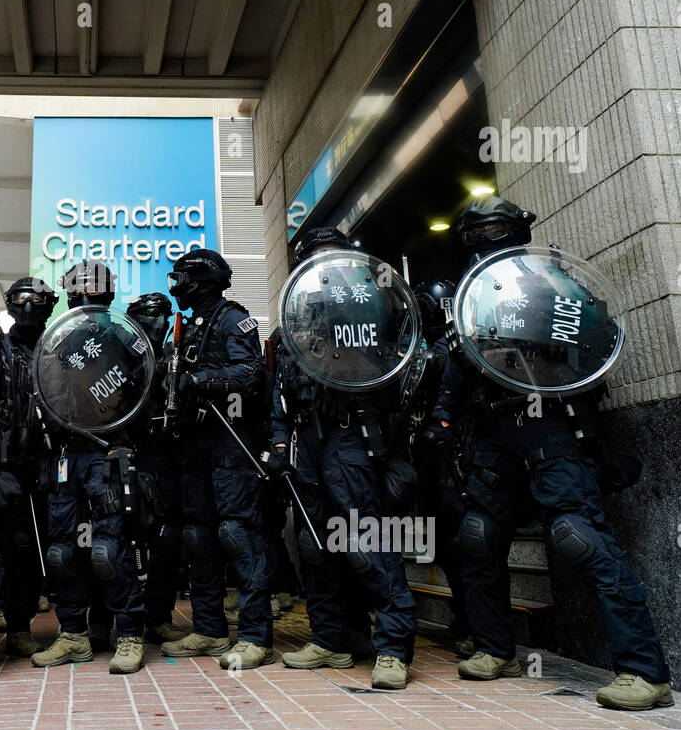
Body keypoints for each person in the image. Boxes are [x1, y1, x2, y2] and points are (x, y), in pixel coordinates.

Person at [435, 197, 672, 710]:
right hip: (496, 426)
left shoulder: (555, 281)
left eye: (495, 229)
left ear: (518, 230)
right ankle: (497, 650)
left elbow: (596, 338)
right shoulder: (469, 295)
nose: (485, 240)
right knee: (478, 537)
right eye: (475, 233)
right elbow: (458, 361)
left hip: (553, 423)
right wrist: (441, 415)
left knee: (578, 537)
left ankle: (644, 672)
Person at [268, 228, 417, 688]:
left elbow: (402, 369)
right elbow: (280, 394)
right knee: (315, 546)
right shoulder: (292, 326)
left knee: (365, 542)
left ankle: (393, 649)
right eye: (314, 260)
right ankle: (331, 639)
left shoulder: (376, 313)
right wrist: (277, 444)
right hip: (307, 442)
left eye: (331, 258)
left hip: (352, 437)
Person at [160, 249, 275, 670]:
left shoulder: (232, 319)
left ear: (202, 280)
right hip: (194, 444)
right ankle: (208, 630)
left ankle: (255, 636)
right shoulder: (187, 326)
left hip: (230, 441)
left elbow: (251, 373)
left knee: (237, 534)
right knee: (198, 537)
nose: (177, 287)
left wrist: (201, 381)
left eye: (182, 278)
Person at [32, 261, 148, 675]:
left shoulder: (126, 337)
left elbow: (142, 395)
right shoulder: (56, 341)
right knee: (62, 552)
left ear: (108, 294)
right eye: (78, 289)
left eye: (92, 289)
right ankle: (73, 635)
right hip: (66, 456)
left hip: (106, 454)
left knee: (107, 550)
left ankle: (130, 634)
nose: (85, 296)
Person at [0, 276, 59, 658]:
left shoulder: (61, 345)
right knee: (13, 549)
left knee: (55, 548)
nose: (29, 305)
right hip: (8, 463)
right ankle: (11, 621)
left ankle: (72, 626)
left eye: (37, 299)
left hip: (52, 461)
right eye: (21, 298)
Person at [406, 278, 472, 656]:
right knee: (441, 542)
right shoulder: (416, 348)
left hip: (456, 453)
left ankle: (477, 624)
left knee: (465, 540)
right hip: (427, 457)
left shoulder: (457, 345)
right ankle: (462, 615)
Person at [124, 292, 185, 644]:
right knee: (123, 542)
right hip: (130, 456)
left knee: (168, 540)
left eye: (164, 314)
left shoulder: (174, 355)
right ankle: (121, 618)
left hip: (165, 457)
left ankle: (158, 615)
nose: (159, 321)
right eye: (150, 314)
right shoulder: (122, 355)